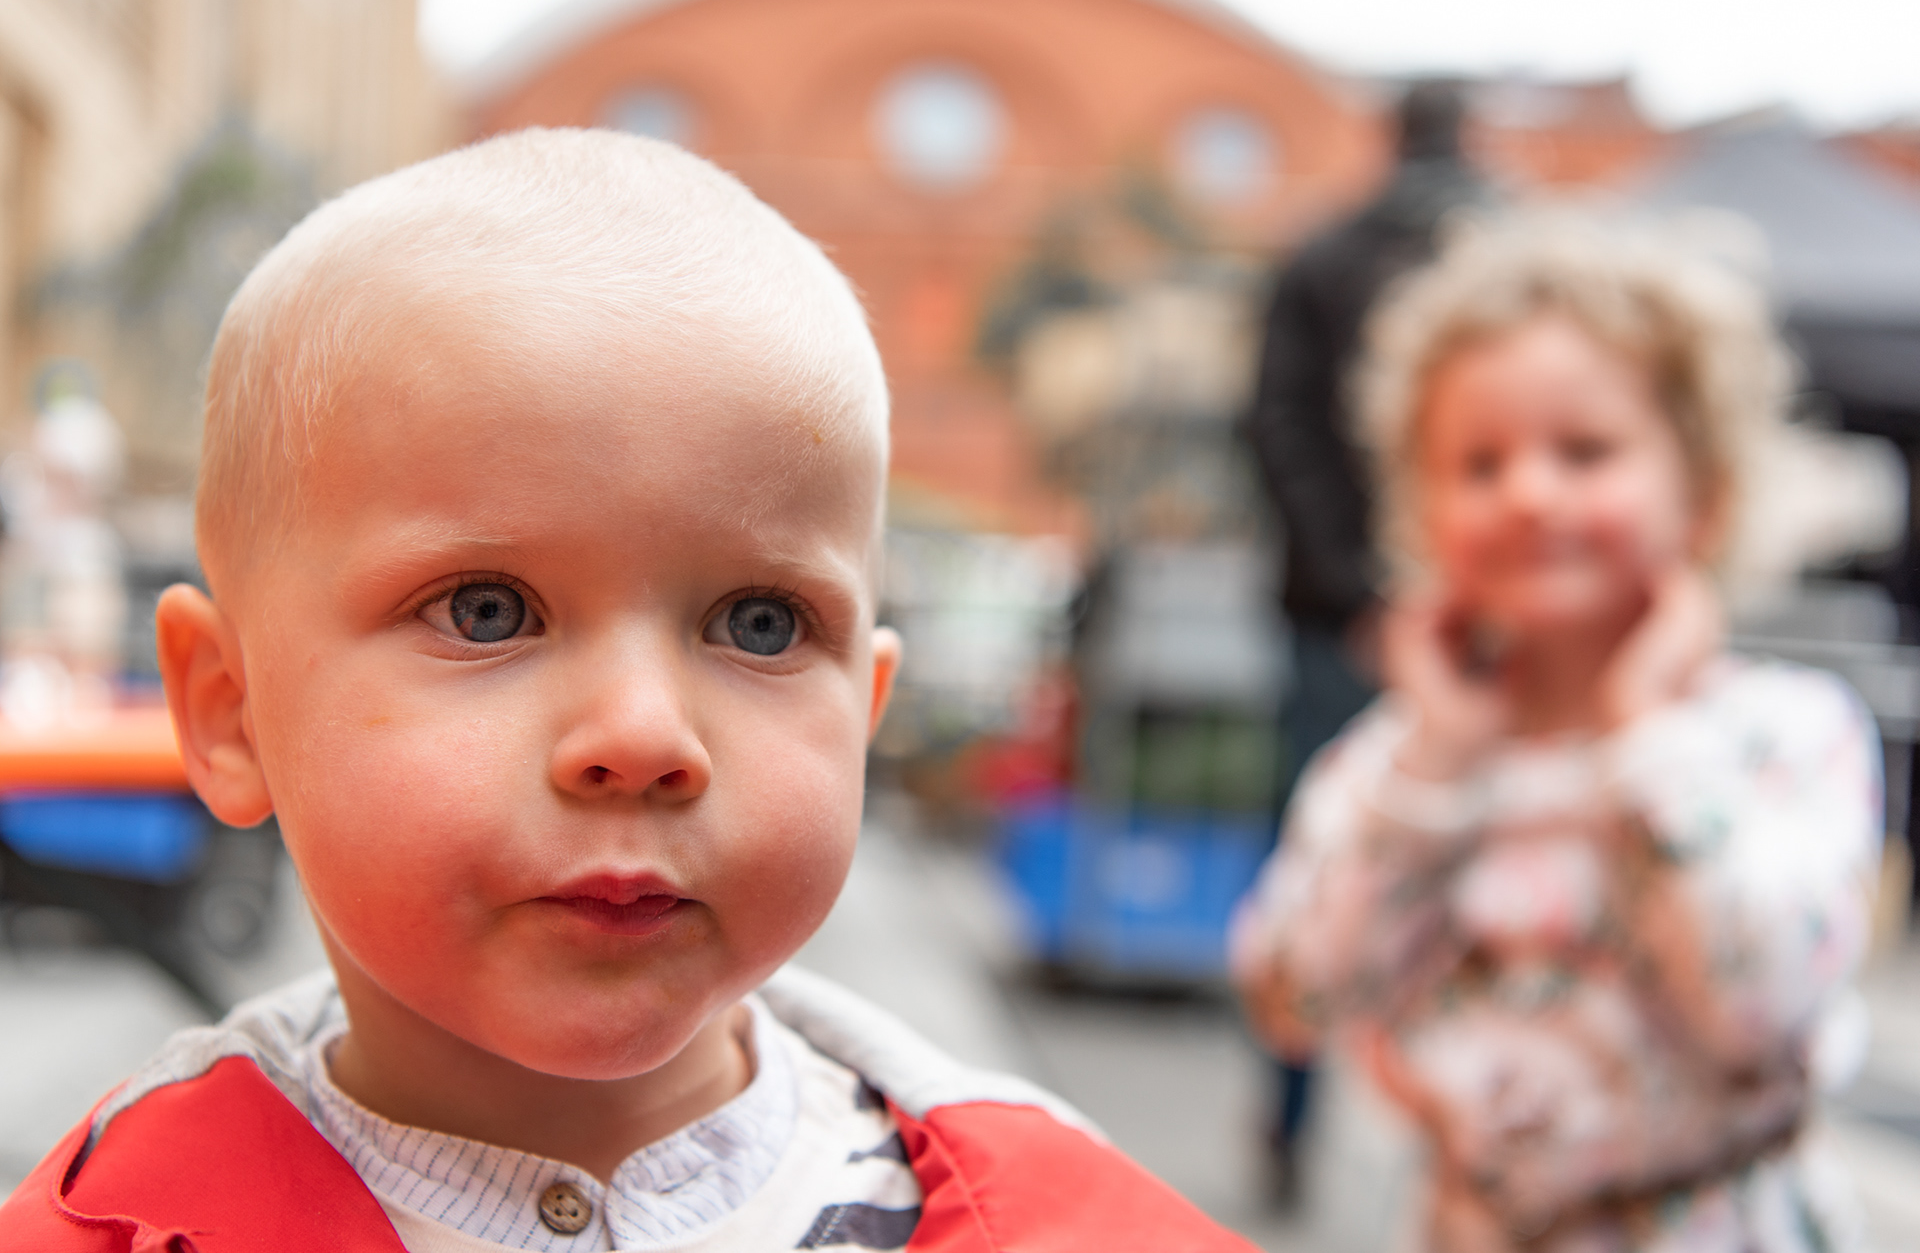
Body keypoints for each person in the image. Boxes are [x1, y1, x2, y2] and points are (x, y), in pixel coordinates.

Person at [0, 130, 1257, 1253]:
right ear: (229, 709)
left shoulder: (1067, 1222)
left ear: (865, 713)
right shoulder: (116, 1224)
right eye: (486, 611)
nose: (645, 737)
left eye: (760, 624)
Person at [1232, 216, 1880, 1253]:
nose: (1531, 492)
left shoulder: (1782, 734)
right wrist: (1431, 768)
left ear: (1704, 492)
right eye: (1480, 463)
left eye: (1586, 451)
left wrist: (1644, 735)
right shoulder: (1408, 755)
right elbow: (1297, 994)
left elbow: (1763, 1005)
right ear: (1422, 508)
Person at [1241, 78, 1492, 1200]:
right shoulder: (1506, 248)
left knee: (1319, 860)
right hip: (1480, 615)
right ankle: (1463, 1138)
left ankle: (1290, 1120)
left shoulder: (1322, 255)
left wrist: (1353, 592)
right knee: (1488, 867)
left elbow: (1277, 427)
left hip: (1335, 619)